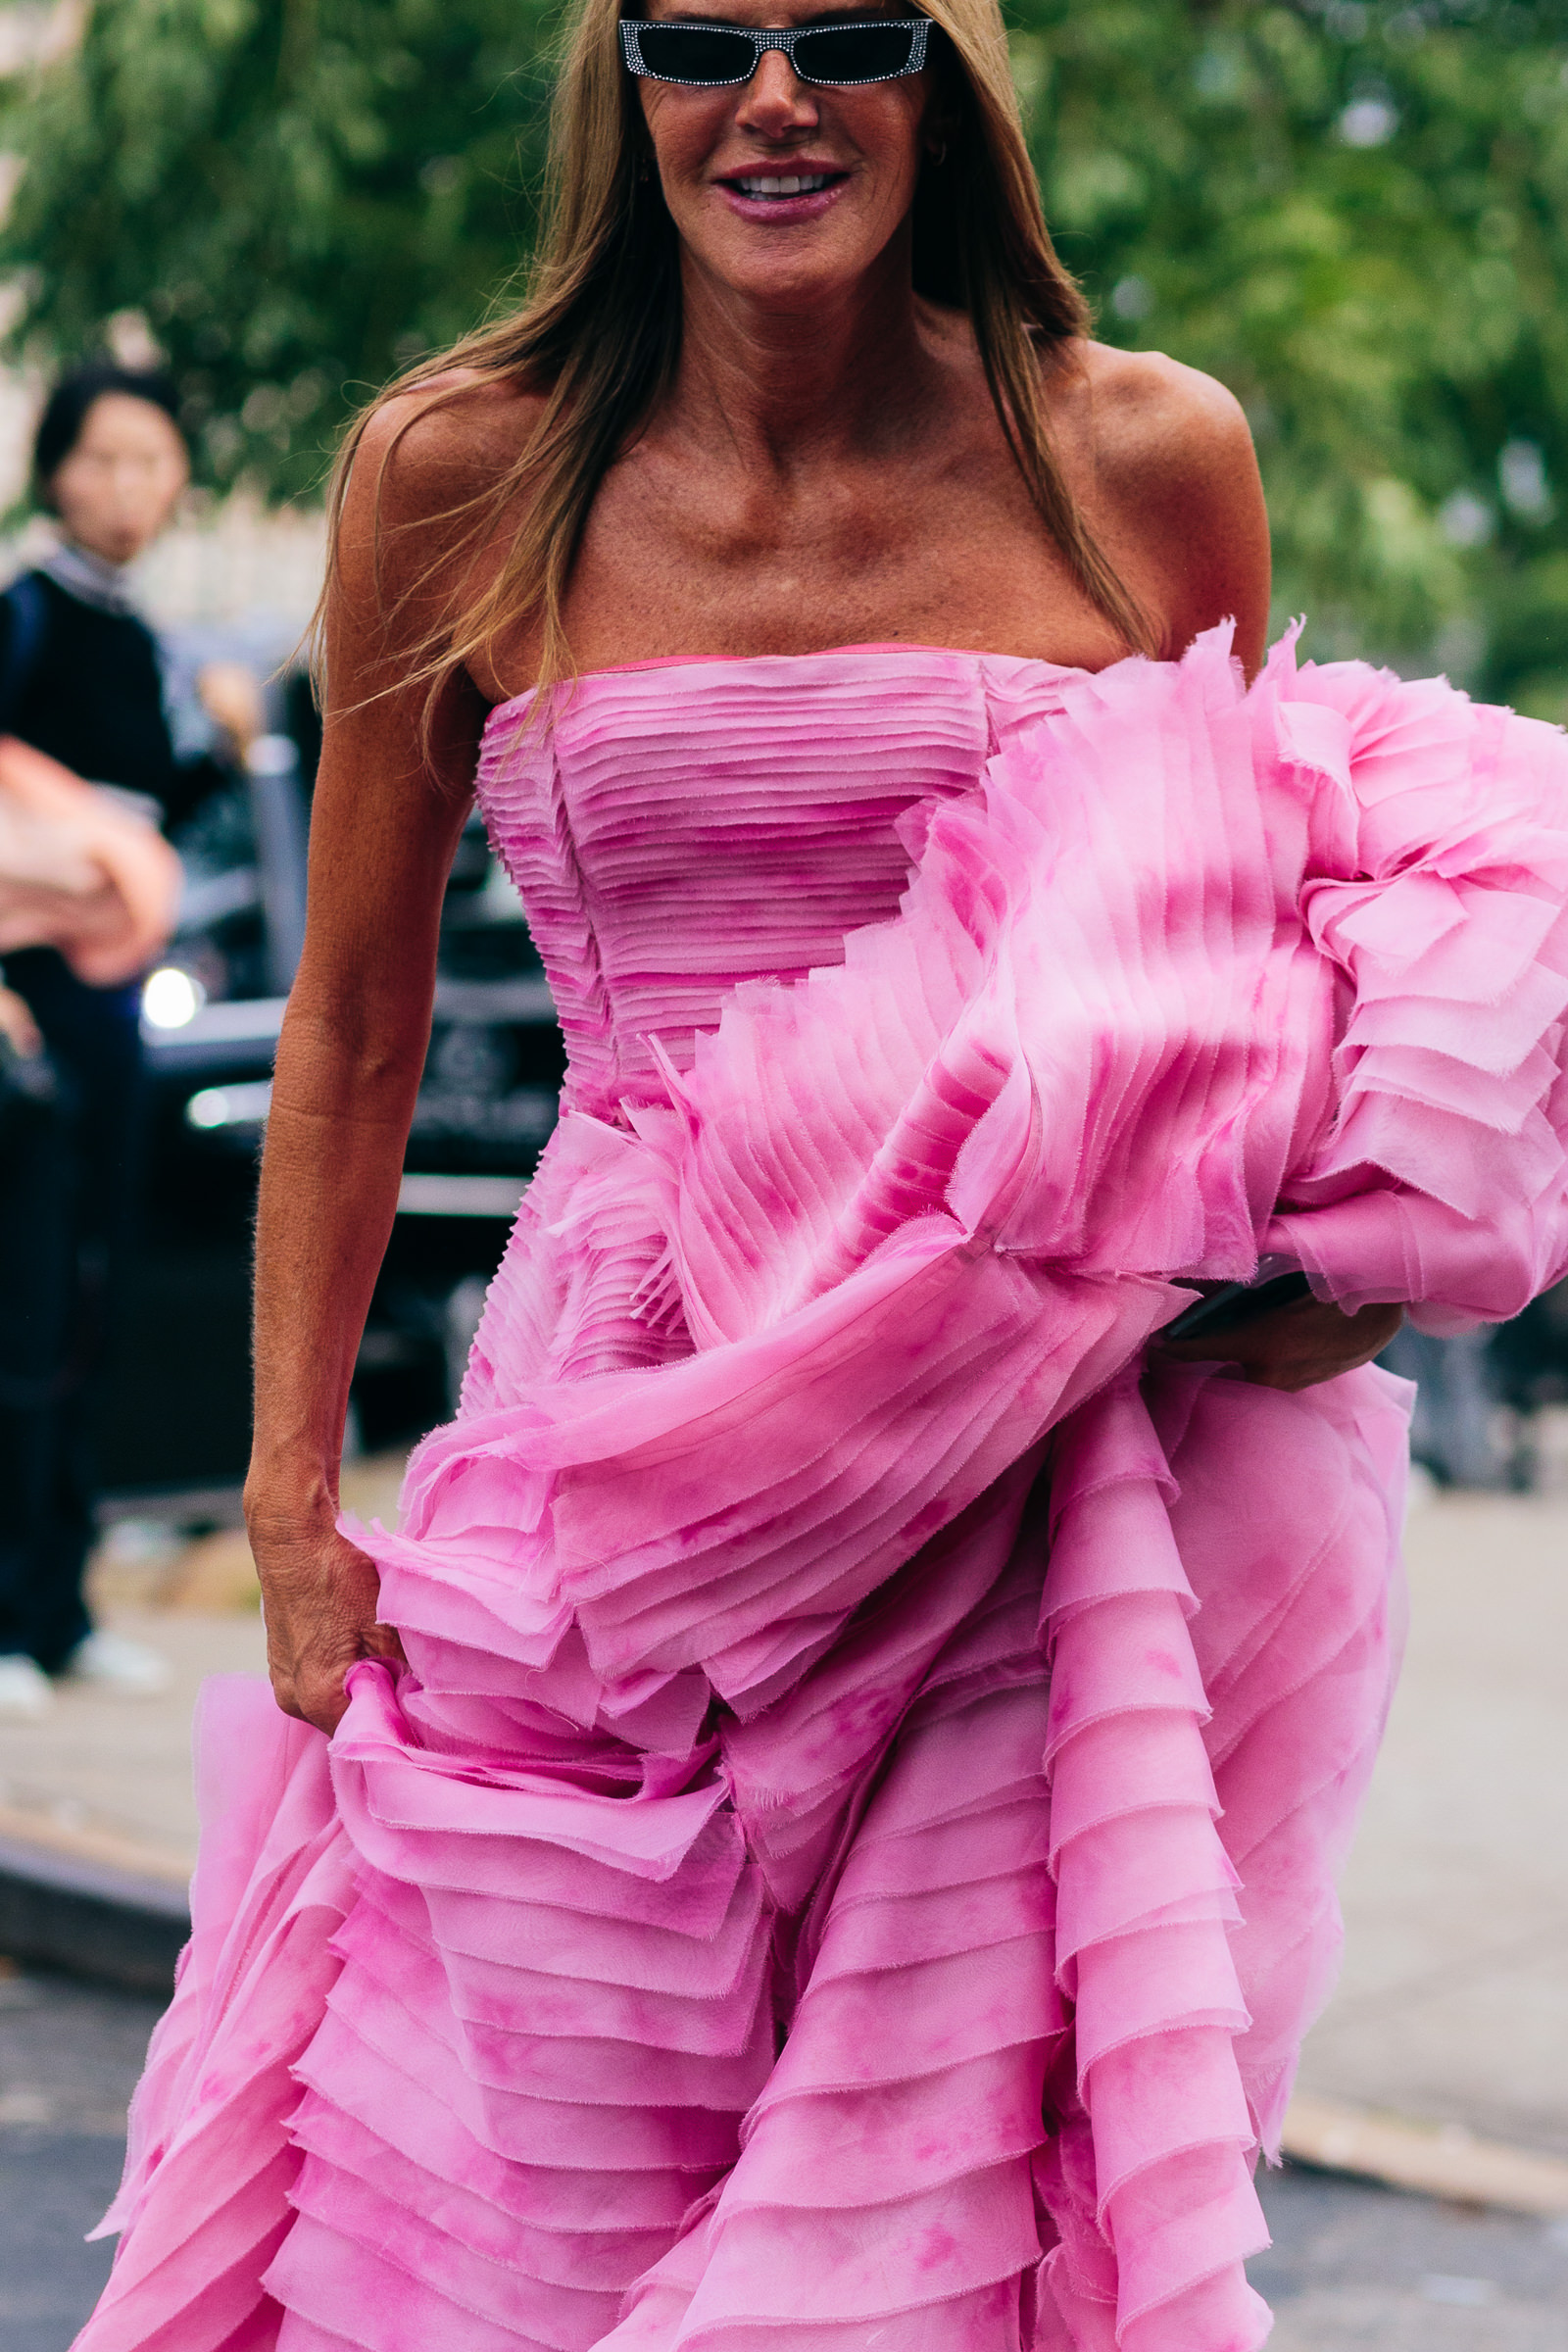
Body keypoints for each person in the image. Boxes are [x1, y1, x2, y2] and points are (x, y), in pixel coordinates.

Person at [75, 3, 1568, 2347]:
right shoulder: (452, 470)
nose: (772, 97)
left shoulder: (1138, 452)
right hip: (609, 1445)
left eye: (848, 35)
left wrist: (1346, 1245)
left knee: (915, 2211)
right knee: (538, 2177)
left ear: (946, 79)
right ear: (625, 84)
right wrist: (285, 1503)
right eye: (702, 39)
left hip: (1020, 1460)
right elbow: (354, 1029)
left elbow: (1247, 922)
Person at [0, 364, 262, 1720]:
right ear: (54, 473)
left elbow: (148, 815)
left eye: (153, 464)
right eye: (104, 460)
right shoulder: (24, 615)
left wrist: (222, 748)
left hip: (106, 1005)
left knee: (97, 1292)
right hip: (22, 1003)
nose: (128, 488)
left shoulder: (138, 638)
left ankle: (59, 1605)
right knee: (23, 1299)